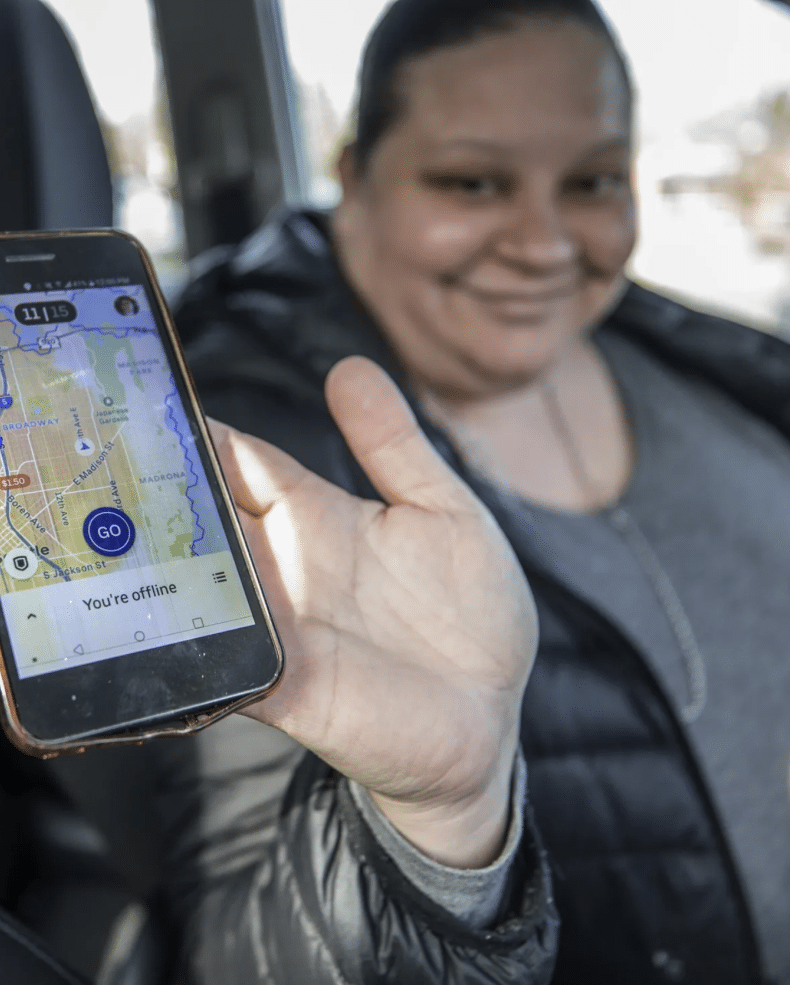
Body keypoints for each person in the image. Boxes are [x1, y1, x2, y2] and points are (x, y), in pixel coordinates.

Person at [153, 0, 790, 982]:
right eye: (472, 180)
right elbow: (238, 948)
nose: (543, 244)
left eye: (591, 182)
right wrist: (438, 823)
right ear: (357, 176)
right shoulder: (253, 461)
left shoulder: (702, 359)